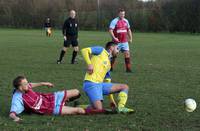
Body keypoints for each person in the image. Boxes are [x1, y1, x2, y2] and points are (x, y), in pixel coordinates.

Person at [81, 41, 134, 114]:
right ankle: (78, 108)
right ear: (111, 48)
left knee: (125, 87)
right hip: (91, 84)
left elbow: (107, 81)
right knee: (99, 109)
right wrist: (89, 64)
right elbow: (84, 50)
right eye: (117, 48)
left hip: (100, 85)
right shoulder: (101, 50)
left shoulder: (109, 63)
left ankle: (121, 107)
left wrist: (111, 100)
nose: (118, 51)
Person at [9, 76, 85, 122]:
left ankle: (64, 102)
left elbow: (31, 84)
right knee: (79, 110)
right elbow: (12, 113)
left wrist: (44, 83)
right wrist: (16, 118)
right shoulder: (17, 99)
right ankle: (96, 110)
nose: (28, 84)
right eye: (25, 84)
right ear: (20, 87)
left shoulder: (25, 87)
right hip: (49, 108)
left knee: (76, 92)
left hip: (50, 97)